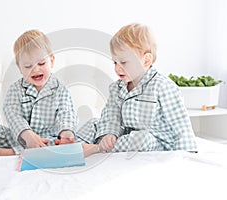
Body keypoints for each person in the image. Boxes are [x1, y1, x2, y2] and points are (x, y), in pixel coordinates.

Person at [0, 30, 77, 158]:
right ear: (20, 67)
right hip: (18, 136)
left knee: (62, 145)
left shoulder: (60, 89)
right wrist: (27, 134)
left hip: (46, 139)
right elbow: (12, 114)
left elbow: (66, 113)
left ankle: (4, 152)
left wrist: (66, 133)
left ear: (51, 61)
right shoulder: (16, 89)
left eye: (41, 63)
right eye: (28, 66)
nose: (35, 69)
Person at [77, 23, 198, 155]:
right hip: (125, 134)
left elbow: (180, 123)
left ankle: (96, 149)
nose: (117, 68)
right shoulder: (117, 88)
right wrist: (109, 133)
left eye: (123, 62)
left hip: (154, 140)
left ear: (146, 61)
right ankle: (72, 145)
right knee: (94, 123)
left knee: (142, 139)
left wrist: (187, 152)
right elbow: (112, 115)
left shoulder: (162, 86)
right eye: (115, 62)